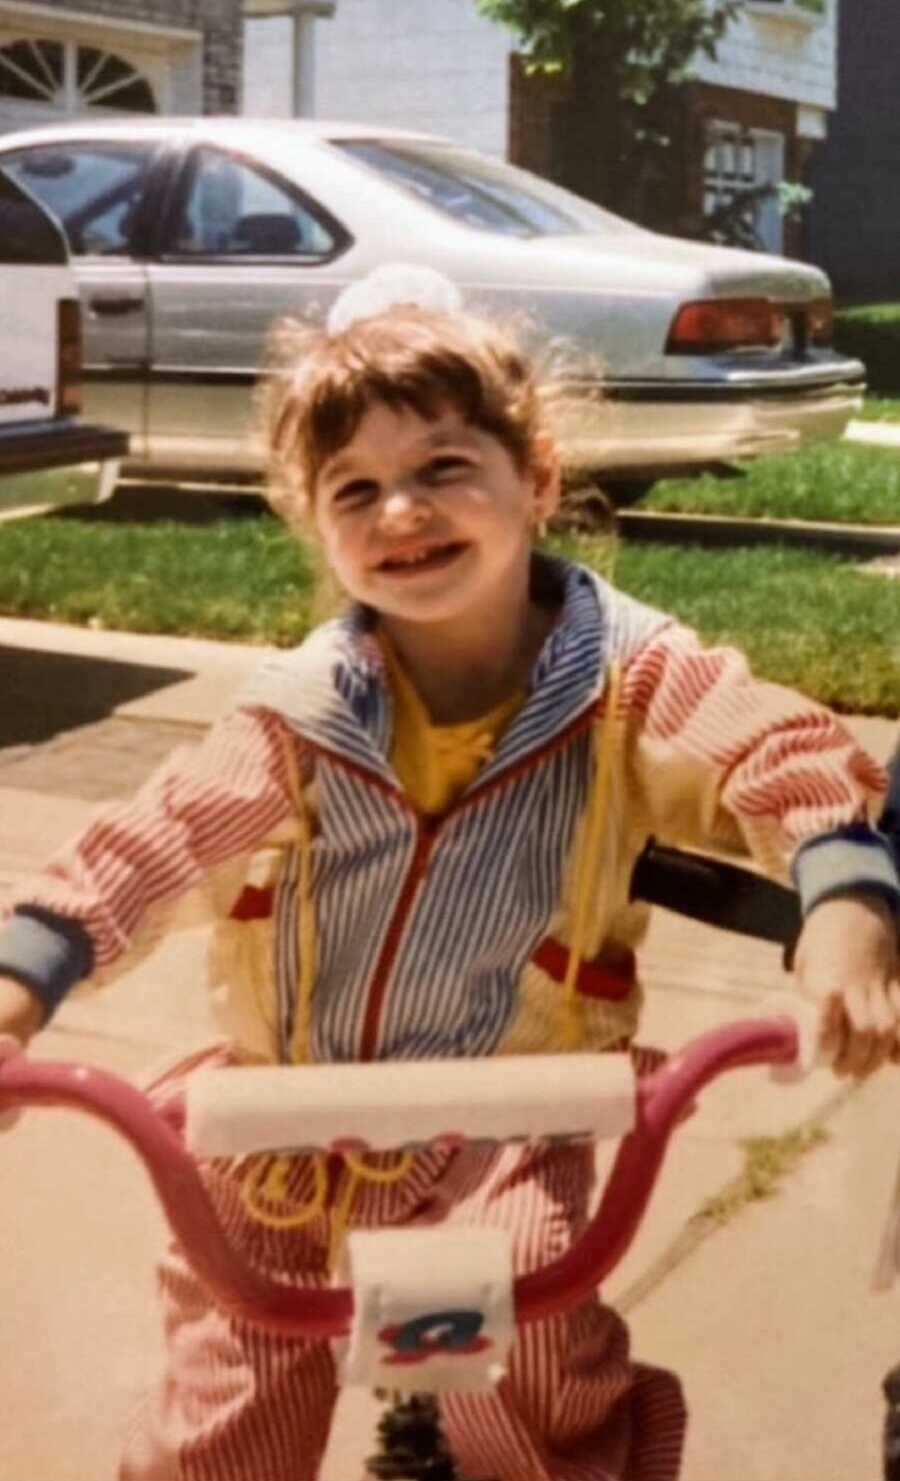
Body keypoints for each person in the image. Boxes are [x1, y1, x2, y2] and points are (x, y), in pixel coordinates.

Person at [0, 264, 898, 1481]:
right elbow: (152, 841)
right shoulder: (299, 717)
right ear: (314, 519)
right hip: (284, 1123)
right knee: (227, 1397)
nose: (401, 513)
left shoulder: (628, 678)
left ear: (533, 475)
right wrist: (25, 979)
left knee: (529, 1328)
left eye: (440, 470)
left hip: (512, 1115)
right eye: (355, 488)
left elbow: (773, 746)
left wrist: (843, 905)